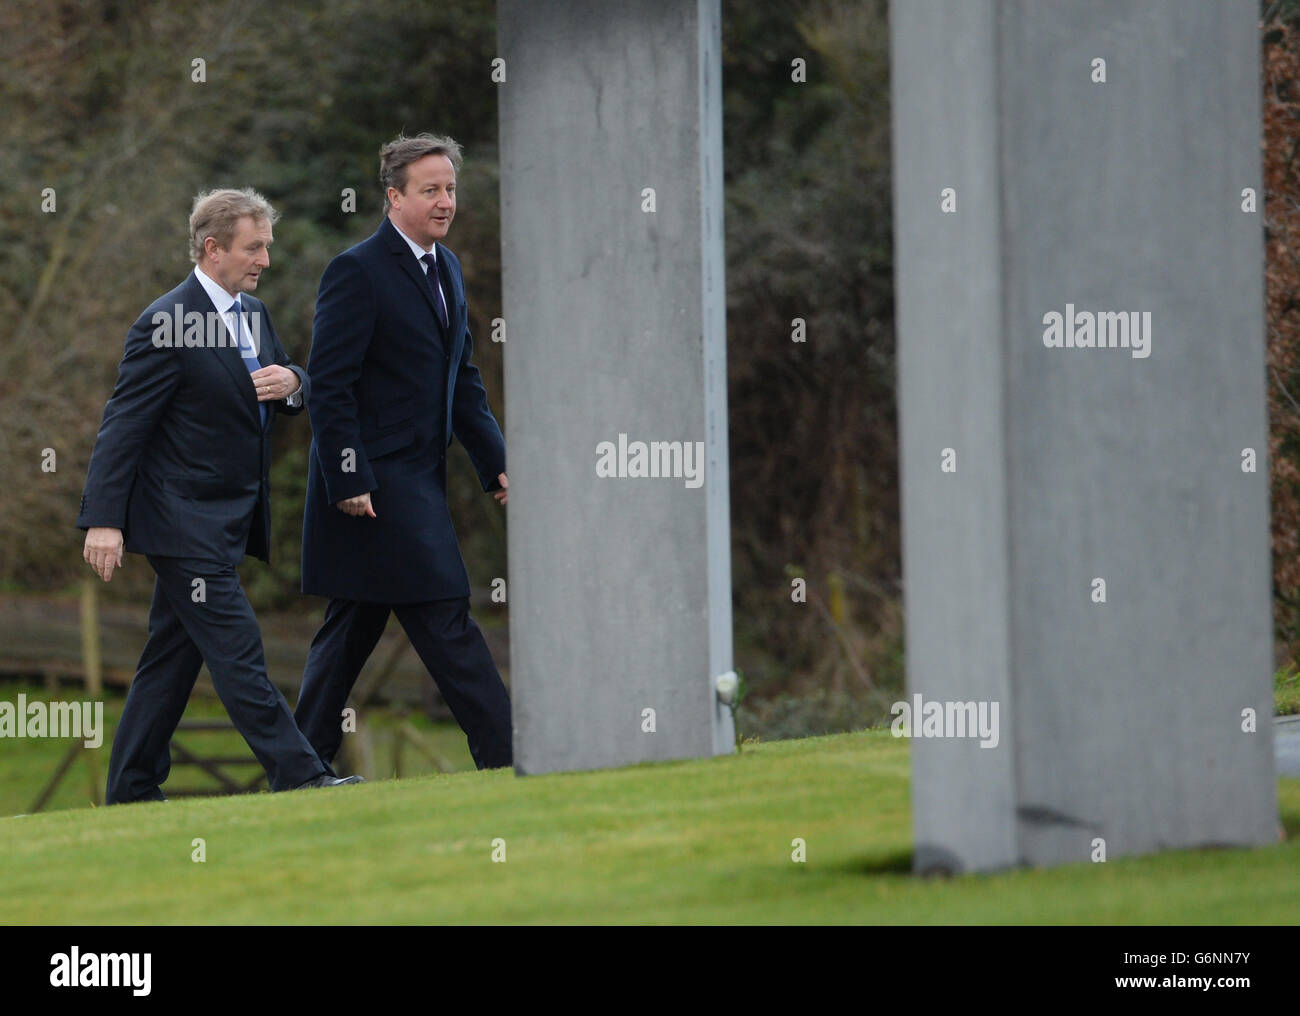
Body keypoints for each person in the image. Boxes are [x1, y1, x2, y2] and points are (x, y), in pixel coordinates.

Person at [77, 188, 363, 803]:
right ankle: (302, 774)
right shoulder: (165, 321)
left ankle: (129, 789)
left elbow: (280, 383)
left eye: (267, 246)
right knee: (239, 653)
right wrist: (104, 520)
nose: (264, 259)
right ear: (213, 248)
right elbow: (123, 426)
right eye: (253, 247)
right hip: (182, 522)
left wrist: (296, 382)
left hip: (229, 516)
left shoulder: (252, 315)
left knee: (170, 660)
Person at [296, 133, 512, 772]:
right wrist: (347, 476)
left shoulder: (447, 268)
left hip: (419, 476)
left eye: (450, 188)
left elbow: (462, 377)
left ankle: (296, 767)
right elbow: (328, 382)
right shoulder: (355, 270)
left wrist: (494, 458)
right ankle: (506, 758)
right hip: (375, 484)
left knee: (350, 630)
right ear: (394, 197)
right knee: (446, 613)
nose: (445, 202)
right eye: (430, 190)